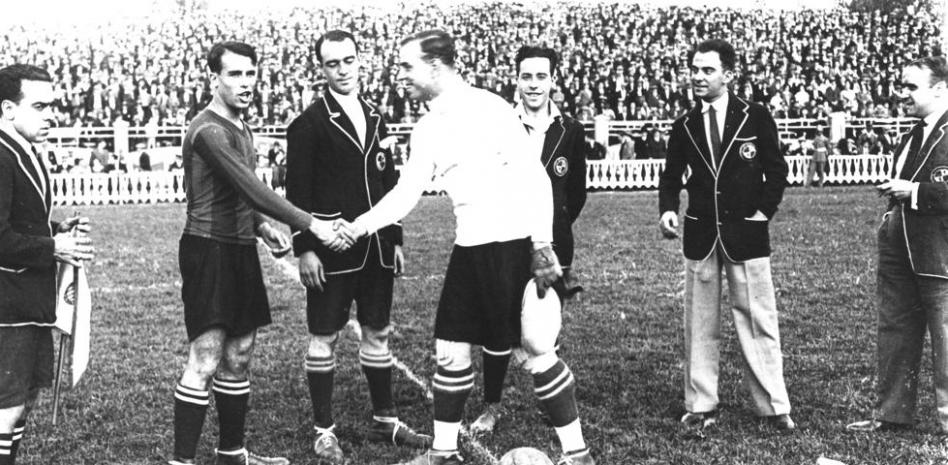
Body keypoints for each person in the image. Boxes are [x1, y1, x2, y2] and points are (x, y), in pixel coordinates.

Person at [336, 30, 595, 465]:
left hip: (513, 246)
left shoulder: (488, 108)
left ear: (436, 66)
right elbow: (405, 192)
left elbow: (535, 178)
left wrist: (542, 244)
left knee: (537, 348)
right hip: (469, 249)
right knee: (450, 350)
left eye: (407, 66)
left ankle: (577, 454)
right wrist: (359, 227)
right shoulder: (427, 126)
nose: (400, 76)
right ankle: (443, 452)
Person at [168, 42, 343, 465]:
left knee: (240, 353)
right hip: (209, 250)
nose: (246, 83)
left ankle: (232, 454)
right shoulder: (208, 129)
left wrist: (262, 228)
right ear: (215, 80)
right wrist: (311, 223)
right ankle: (181, 462)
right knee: (206, 357)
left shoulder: (240, 126)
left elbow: (235, 195)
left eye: (250, 74)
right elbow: (250, 187)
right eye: (235, 75)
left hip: (240, 249)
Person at [284, 30, 430, 464]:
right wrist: (304, 247)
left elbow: (389, 183)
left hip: (377, 247)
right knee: (324, 336)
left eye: (349, 60)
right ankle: (324, 430)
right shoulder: (307, 123)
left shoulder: (376, 115)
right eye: (333, 64)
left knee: (378, 331)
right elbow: (297, 192)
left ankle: (385, 420)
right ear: (322, 69)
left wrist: (396, 236)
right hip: (331, 252)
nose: (343, 69)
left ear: (360, 59)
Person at [657, 39, 794, 432]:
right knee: (699, 323)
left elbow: (776, 170)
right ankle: (700, 404)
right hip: (701, 235)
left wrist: (762, 213)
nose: (698, 77)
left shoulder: (754, 116)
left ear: (727, 75)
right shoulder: (684, 125)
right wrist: (668, 208)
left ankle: (773, 406)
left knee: (757, 318)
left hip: (747, 235)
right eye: (694, 70)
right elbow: (671, 177)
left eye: (707, 70)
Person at [469, 45, 587, 436]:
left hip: (553, 247)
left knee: (544, 329)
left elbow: (577, 192)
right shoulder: (499, 124)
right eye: (526, 76)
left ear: (553, 80)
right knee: (498, 327)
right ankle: (491, 407)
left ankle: (552, 400)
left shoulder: (570, 130)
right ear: (516, 79)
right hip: (505, 241)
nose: (533, 84)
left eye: (541, 76)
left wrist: (554, 230)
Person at [847, 56, 948, 434]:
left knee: (945, 335)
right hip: (900, 248)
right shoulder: (913, 133)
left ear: (939, 90)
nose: (901, 94)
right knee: (895, 330)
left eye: (911, 87)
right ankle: (892, 414)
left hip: (939, 250)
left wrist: (915, 191)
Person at [0, 64, 94, 465]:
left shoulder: (21, 150)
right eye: (39, 106)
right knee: (6, 409)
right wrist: (53, 246)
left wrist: (53, 228)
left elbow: (18, 220)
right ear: (7, 109)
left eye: (52, 105)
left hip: (28, 301)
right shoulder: (2, 156)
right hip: (9, 305)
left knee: (20, 404)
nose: (51, 114)